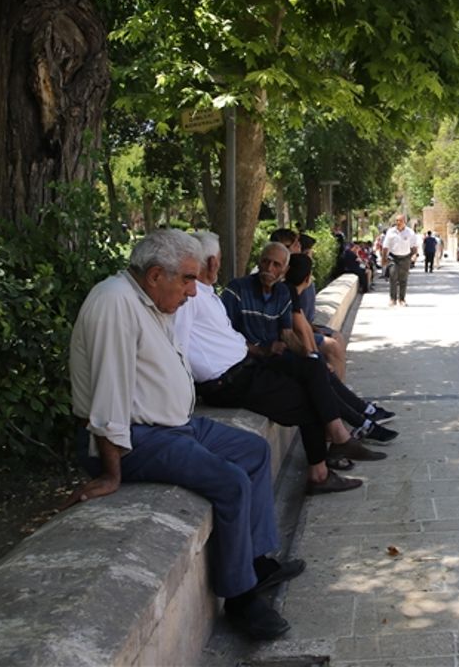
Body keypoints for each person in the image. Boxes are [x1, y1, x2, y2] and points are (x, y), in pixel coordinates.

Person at [68, 229, 302, 640]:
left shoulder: (150, 300)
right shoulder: (114, 303)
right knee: (229, 482)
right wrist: (110, 472)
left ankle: (256, 560)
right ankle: (241, 597)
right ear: (156, 274)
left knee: (253, 450)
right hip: (139, 438)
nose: (194, 292)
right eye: (187, 280)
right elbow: (108, 394)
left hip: (176, 425)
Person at [175, 233, 382, 495]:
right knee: (309, 397)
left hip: (249, 363)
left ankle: (336, 445)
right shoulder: (197, 297)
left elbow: (285, 331)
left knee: (313, 367)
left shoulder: (205, 295)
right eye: (265, 262)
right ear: (213, 262)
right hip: (228, 380)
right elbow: (178, 345)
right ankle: (325, 464)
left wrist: (274, 351)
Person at [222, 243, 399, 445]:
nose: (269, 269)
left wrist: (310, 355)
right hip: (249, 360)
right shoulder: (238, 289)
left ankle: (360, 422)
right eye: (265, 262)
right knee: (314, 379)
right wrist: (259, 349)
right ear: (258, 261)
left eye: (276, 265)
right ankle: (360, 423)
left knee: (318, 367)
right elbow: (223, 334)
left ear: (285, 270)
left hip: (275, 357)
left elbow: (288, 334)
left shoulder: (281, 293)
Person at [270, 229, 347, 381]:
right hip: (284, 333)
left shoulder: (295, 270)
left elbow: (302, 320)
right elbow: (298, 326)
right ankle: (335, 391)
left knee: (336, 338)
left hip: (299, 325)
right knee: (332, 347)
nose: (299, 247)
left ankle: (337, 388)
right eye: (296, 244)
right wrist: (314, 356)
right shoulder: (284, 280)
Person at [381, 214, 418, 306]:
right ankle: (392, 298)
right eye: (396, 220)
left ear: (404, 221)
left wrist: (414, 256)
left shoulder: (410, 232)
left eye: (400, 221)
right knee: (393, 277)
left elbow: (414, 246)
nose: (398, 222)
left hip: (405, 257)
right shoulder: (391, 232)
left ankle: (402, 299)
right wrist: (384, 258)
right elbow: (385, 246)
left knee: (403, 279)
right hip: (393, 257)